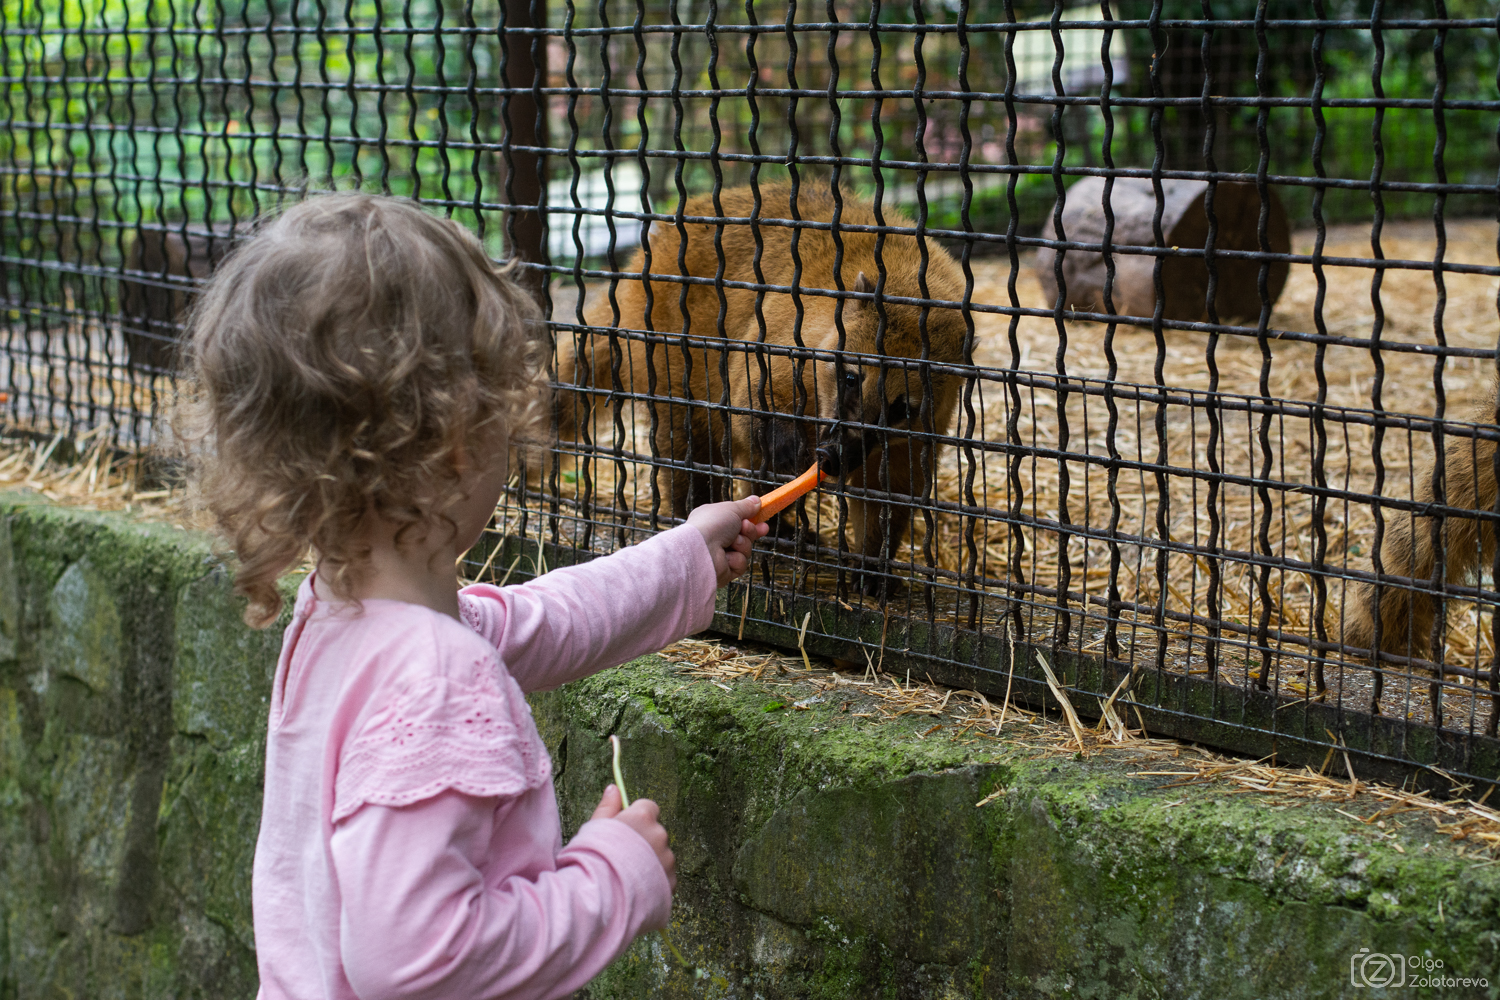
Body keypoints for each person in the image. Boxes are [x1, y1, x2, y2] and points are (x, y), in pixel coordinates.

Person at [184, 192, 768, 1000]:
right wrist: (611, 877)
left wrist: (685, 558)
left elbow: (543, 621)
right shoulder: (435, 675)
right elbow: (421, 959)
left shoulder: (342, 614)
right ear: (462, 442)